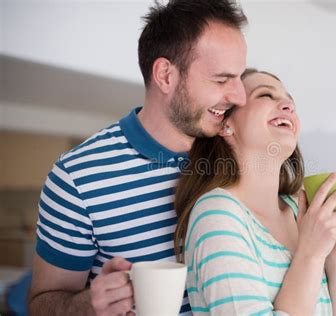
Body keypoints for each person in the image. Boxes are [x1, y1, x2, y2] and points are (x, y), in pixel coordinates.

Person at [27, 1, 248, 315]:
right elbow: (42, 303)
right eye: (222, 79)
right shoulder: (77, 176)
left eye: (239, 77)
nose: (239, 96)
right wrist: (88, 306)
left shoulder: (236, 151)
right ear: (165, 75)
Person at [174, 68, 336, 315]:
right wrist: (311, 254)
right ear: (225, 125)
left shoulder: (302, 213)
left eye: (290, 101)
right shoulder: (216, 215)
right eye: (265, 95)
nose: (287, 105)